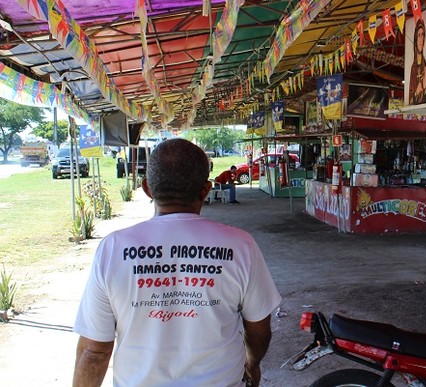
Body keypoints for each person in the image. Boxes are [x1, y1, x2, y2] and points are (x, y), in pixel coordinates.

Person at [72, 139, 281, 386]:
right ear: (206, 190)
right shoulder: (240, 246)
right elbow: (258, 328)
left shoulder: (114, 248)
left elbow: (94, 351)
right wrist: (252, 363)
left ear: (147, 189)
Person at [409, 19, 426, 104]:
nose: (421, 39)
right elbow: (409, 100)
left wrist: (424, 88)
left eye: (422, 35)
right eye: (419, 35)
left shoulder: (425, 66)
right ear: (415, 39)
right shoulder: (413, 68)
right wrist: (416, 92)